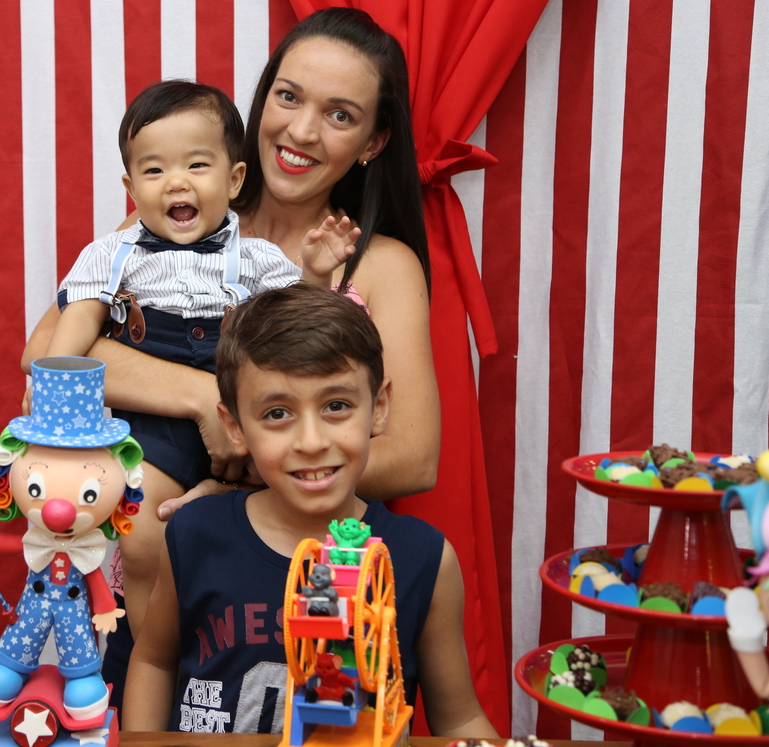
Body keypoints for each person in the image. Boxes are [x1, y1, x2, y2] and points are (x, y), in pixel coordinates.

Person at [23, 7, 440, 710]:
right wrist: (199, 401)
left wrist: (248, 481)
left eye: (340, 115)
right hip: (159, 584)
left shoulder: (381, 265)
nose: (301, 131)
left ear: (374, 142)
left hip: (298, 589)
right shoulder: (177, 208)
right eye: (289, 96)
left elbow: (415, 457)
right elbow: (47, 351)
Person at [44, 79, 359, 642]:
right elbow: (73, 334)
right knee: (143, 534)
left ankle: (238, 648)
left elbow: (297, 328)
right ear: (130, 188)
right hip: (154, 425)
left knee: (266, 541)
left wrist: (315, 274)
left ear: (234, 179)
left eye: (196, 165)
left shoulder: (257, 259)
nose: (177, 182)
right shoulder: (113, 255)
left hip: (246, 420)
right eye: (154, 170)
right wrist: (54, 391)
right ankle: (153, 654)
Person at [121, 284, 494, 737]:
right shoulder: (194, 533)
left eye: (336, 406)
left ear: (379, 408)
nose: (311, 442)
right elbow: (155, 662)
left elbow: (459, 717)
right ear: (234, 427)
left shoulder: (424, 558)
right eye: (278, 414)